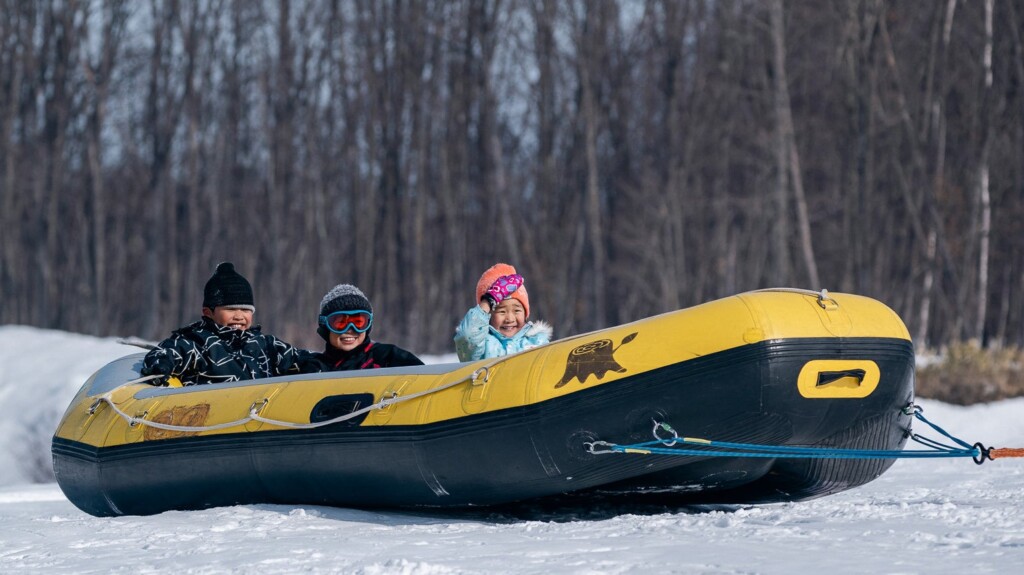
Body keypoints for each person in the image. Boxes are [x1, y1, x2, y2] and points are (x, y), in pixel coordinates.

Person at [141, 262, 315, 386]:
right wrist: (160, 366)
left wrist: (333, 363)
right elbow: (167, 352)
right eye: (230, 309)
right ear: (208, 312)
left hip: (261, 419)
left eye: (246, 310)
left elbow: (301, 360)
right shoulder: (195, 343)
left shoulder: (264, 345)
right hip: (214, 422)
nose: (239, 316)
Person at [310, 284, 424, 370]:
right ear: (325, 326)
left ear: (368, 324)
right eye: (341, 323)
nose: (350, 329)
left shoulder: (388, 358)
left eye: (358, 322)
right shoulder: (315, 367)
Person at [454, 263, 552, 362]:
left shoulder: (538, 342)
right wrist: (489, 300)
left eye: (517, 310)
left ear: (525, 313)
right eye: (502, 311)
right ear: (488, 315)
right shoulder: (482, 346)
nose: (509, 319)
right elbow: (467, 336)